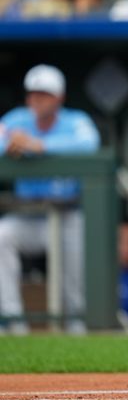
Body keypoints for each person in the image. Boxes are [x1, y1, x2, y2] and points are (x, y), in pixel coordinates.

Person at [0, 64, 101, 334]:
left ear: (59, 98)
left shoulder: (75, 120)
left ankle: (76, 330)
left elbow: (90, 142)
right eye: (32, 93)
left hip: (68, 213)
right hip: (28, 216)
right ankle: (13, 325)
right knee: (2, 235)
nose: (36, 99)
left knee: (73, 288)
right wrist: (8, 147)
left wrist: (39, 146)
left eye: (44, 94)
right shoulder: (16, 120)